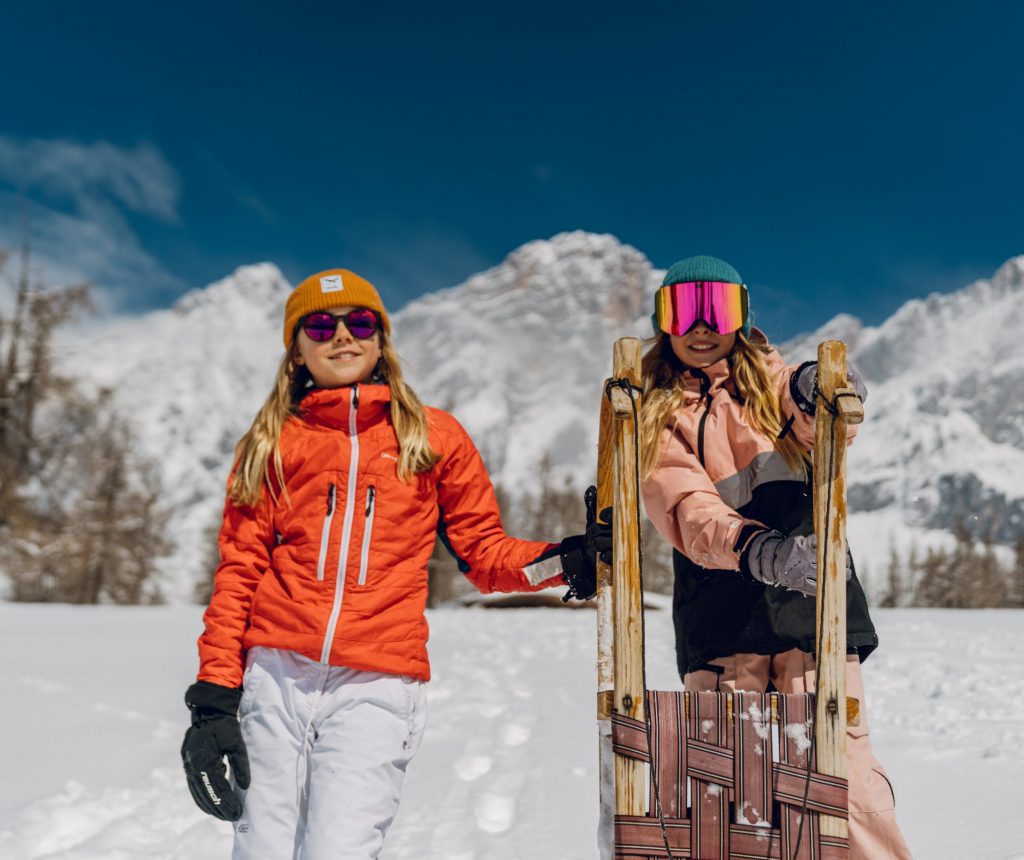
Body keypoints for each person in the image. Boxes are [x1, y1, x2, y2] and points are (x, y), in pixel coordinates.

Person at [180, 268, 607, 859]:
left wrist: (565, 561)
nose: (341, 336)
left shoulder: (433, 436)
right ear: (296, 349)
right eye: (320, 325)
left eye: (359, 322)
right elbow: (240, 571)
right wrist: (213, 696)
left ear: (380, 339)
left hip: (377, 681)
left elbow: (482, 554)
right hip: (274, 673)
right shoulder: (273, 441)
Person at [639, 256, 912, 859]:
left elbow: (817, 424)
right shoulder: (655, 416)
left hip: (811, 618)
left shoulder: (774, 385)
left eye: (720, 308)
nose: (703, 325)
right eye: (686, 309)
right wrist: (754, 549)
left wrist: (822, 393)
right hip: (723, 627)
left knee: (842, 788)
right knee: (737, 799)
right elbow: (683, 503)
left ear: (743, 317)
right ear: (664, 321)